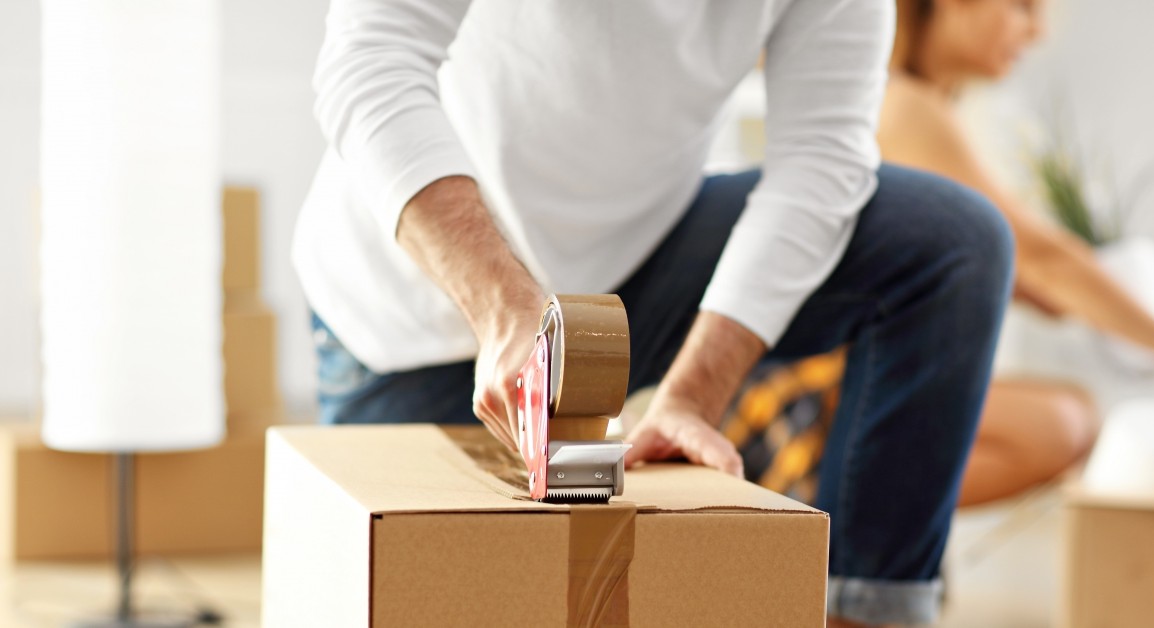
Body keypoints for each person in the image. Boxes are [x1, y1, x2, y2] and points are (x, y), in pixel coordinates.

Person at [294, 1, 1014, 625]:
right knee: (435, 589)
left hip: (636, 262)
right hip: (415, 303)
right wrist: (504, 311)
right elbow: (370, 61)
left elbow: (822, 162)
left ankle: (854, 615)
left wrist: (695, 395)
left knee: (952, 246)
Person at [882, 0, 1154, 507]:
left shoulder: (929, 108)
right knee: (1062, 424)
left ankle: (858, 533)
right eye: (1022, 6)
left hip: (876, 375)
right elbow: (1043, 260)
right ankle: (844, 523)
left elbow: (1028, 273)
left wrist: (1061, 291)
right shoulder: (904, 106)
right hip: (827, 394)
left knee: (1071, 418)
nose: (1038, 32)